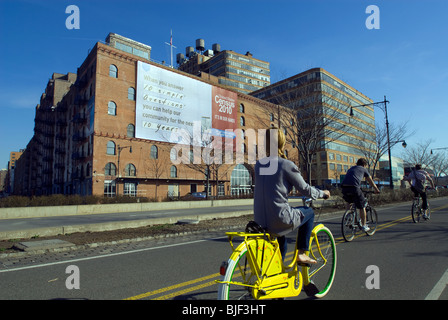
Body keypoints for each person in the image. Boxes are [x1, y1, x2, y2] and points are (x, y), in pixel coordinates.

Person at [253, 127, 330, 264]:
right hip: (279, 218)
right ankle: (302, 253)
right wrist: (322, 194)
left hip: (260, 221)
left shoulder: (259, 165)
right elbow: (305, 189)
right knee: (310, 212)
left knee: (281, 242)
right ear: (282, 143)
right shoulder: (286, 165)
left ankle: (276, 276)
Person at [341, 158, 380, 232]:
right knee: (362, 206)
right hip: (354, 188)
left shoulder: (351, 168)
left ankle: (349, 215)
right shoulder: (363, 169)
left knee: (349, 201)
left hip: (344, 187)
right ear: (364, 165)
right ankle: (364, 225)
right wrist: (376, 189)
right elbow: (370, 181)